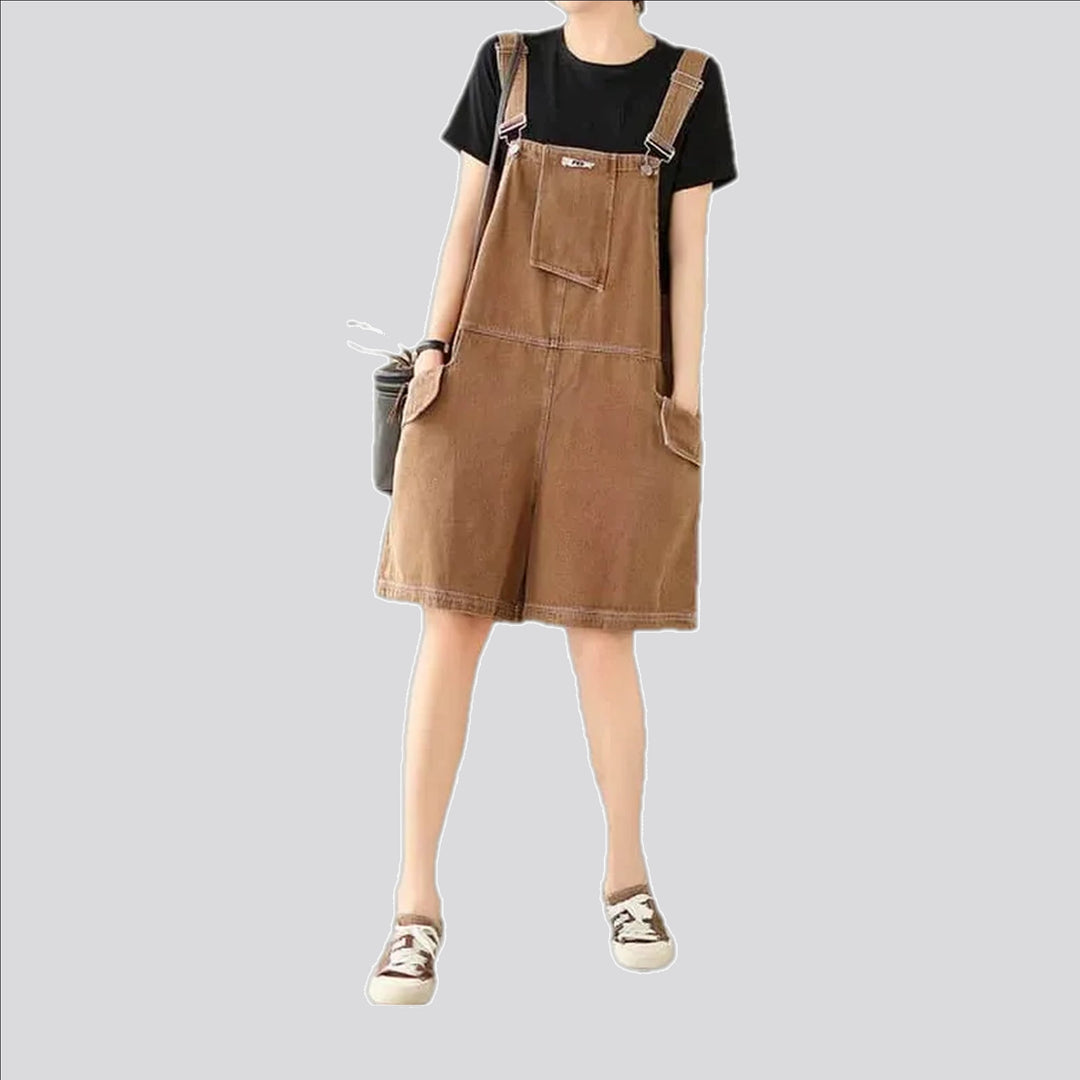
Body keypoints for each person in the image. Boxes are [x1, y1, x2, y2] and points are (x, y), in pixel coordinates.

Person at [367, 0, 737, 1005]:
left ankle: (628, 882)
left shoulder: (690, 86)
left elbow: (689, 256)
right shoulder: (506, 64)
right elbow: (465, 222)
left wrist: (681, 408)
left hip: (621, 391)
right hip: (481, 379)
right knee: (451, 625)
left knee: (603, 635)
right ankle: (412, 908)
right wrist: (433, 351)